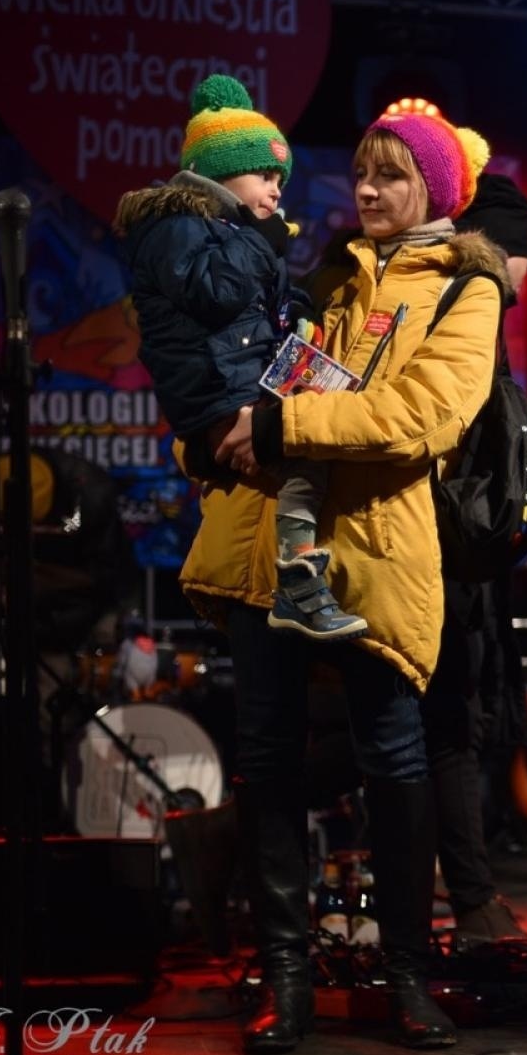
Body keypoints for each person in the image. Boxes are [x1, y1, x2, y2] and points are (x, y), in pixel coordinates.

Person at [180, 110, 502, 1053]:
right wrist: (212, 435)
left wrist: (281, 432)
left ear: (436, 192)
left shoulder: (465, 290)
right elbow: (254, 381)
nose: (367, 190)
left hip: (374, 555)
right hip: (260, 545)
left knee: (395, 758)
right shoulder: (318, 276)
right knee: (270, 756)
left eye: (393, 175)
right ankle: (288, 975)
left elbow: (420, 418)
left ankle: (407, 974)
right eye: (362, 171)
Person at [115, 73, 366, 643]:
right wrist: (261, 243)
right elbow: (215, 293)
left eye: (281, 177)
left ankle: (298, 580)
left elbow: (262, 305)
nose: (277, 190)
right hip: (217, 395)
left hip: (244, 384)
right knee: (309, 456)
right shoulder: (173, 225)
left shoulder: (236, 232)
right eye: (265, 174)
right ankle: (299, 584)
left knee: (320, 451)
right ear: (216, 171)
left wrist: (301, 314)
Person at [423, 170, 527, 941]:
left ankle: (472, 896)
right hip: (440, 556)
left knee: (454, 726)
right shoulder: (470, 308)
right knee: (449, 727)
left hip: (464, 556)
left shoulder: (478, 315)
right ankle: (472, 903)